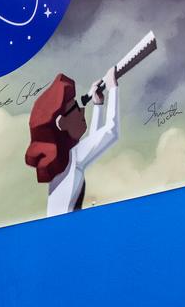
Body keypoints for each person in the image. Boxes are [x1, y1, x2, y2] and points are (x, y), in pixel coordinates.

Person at [25, 67, 119, 216]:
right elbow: (110, 131)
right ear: (61, 122)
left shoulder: (65, 160)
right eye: (75, 108)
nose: (81, 111)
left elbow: (93, 147)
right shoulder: (72, 157)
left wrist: (98, 105)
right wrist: (113, 88)